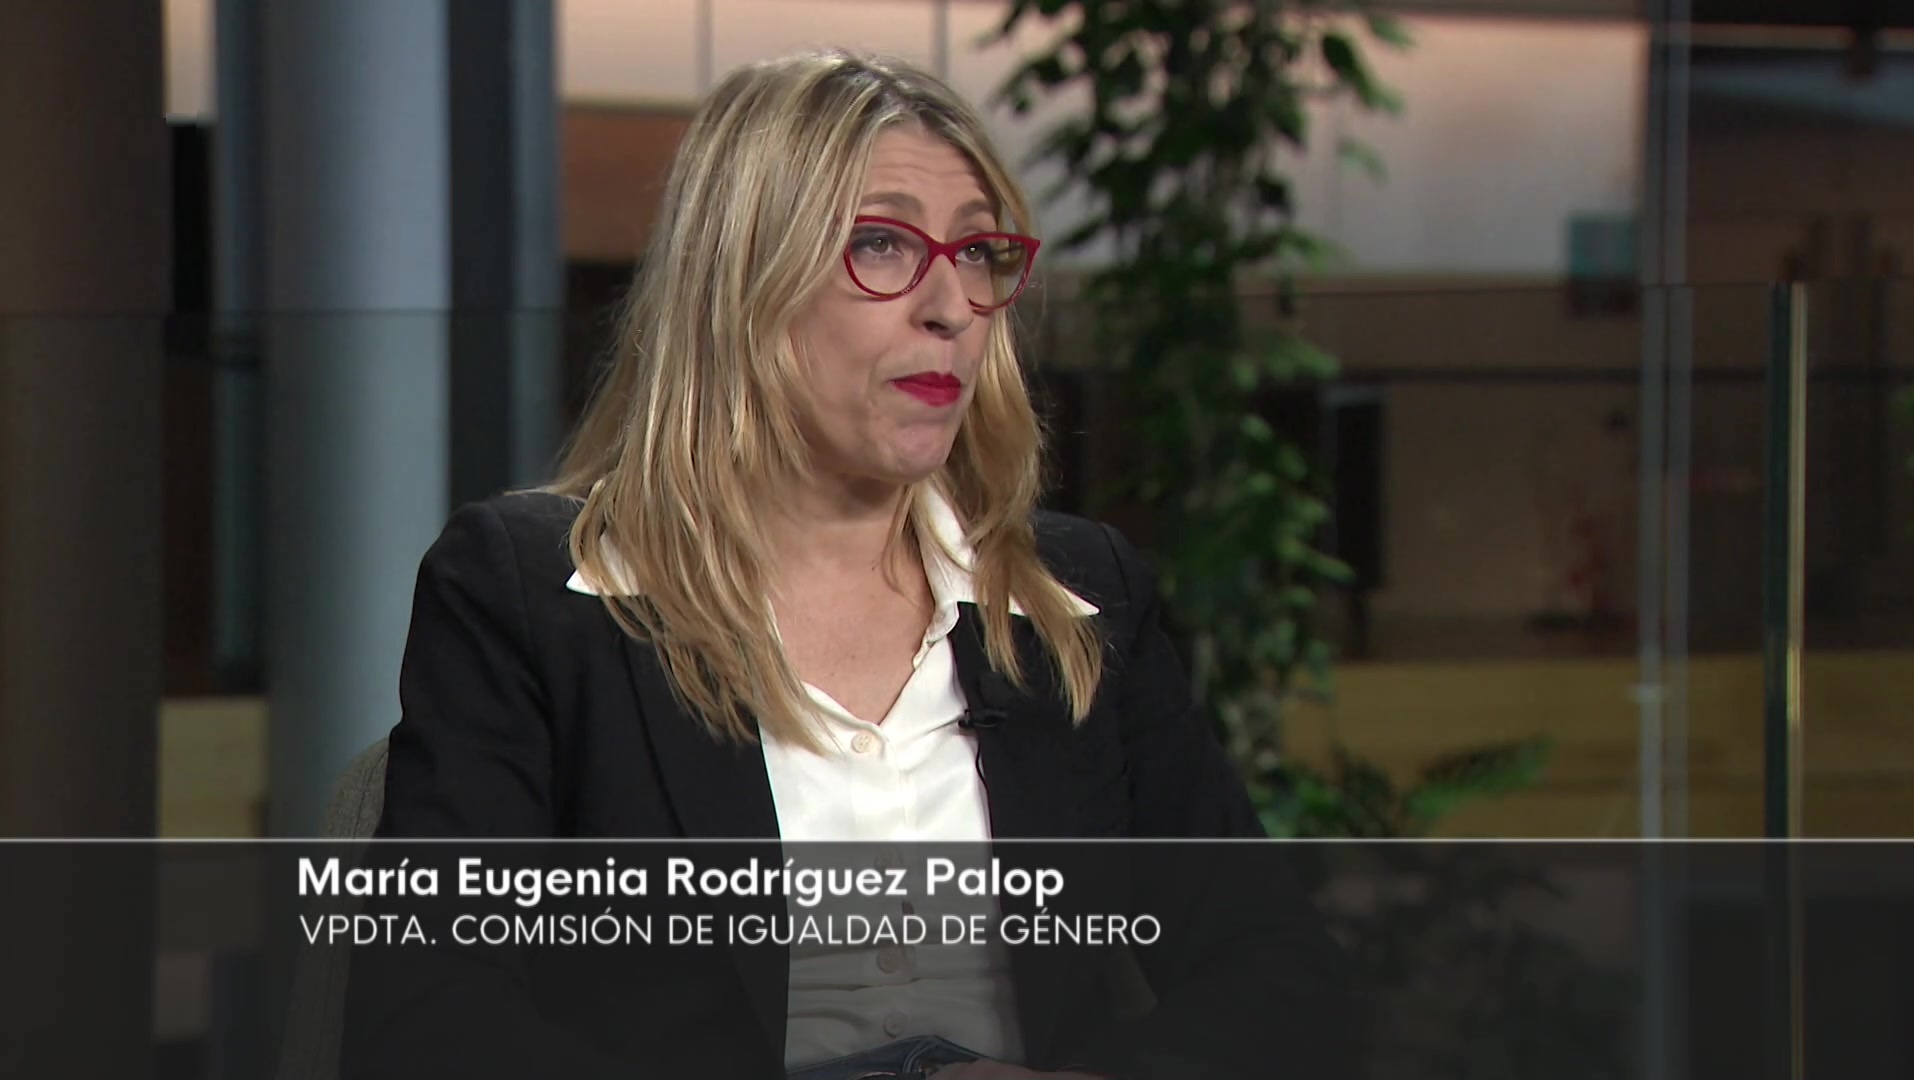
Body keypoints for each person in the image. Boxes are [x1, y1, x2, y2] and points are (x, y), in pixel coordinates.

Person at [347, 48, 1354, 1080]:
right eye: (882, 243)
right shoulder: (533, 600)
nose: (952, 305)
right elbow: (426, 1023)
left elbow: (1283, 980)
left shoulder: (1078, 600)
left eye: (977, 253)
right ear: (743, 282)